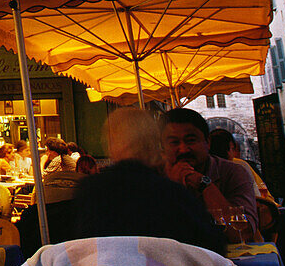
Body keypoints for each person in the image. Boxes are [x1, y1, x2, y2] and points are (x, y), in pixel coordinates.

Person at [71, 108, 225, 254]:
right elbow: (215, 248)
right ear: (152, 145)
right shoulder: (171, 192)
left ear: (111, 145)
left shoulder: (88, 189)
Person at [162, 108, 258, 240]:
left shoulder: (233, 172)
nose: (183, 149)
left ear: (208, 142)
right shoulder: (154, 177)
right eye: (174, 142)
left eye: (191, 140)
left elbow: (242, 233)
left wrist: (204, 184)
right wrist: (172, 188)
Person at [209, 129, 270, 200]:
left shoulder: (203, 169)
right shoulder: (239, 166)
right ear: (230, 148)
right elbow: (256, 197)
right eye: (233, 149)